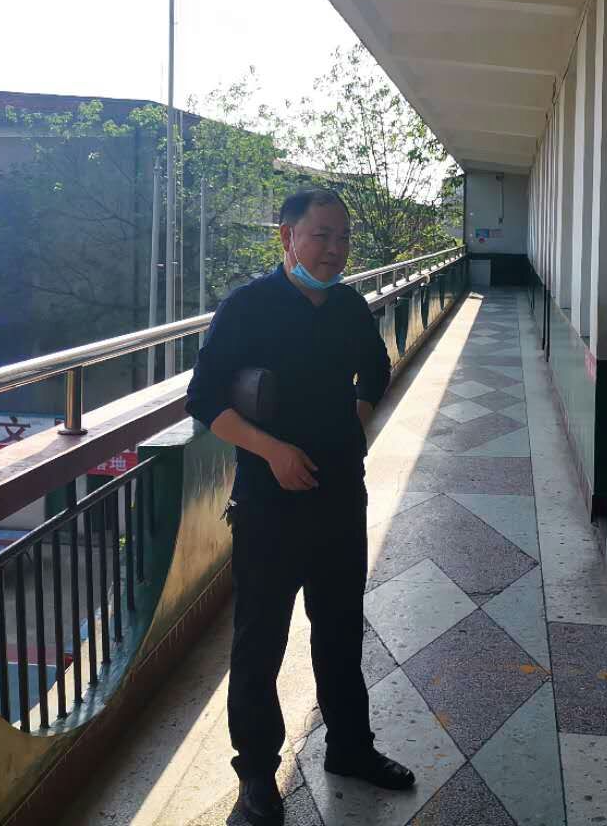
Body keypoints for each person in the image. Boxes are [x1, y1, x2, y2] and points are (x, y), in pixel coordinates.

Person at [185, 188, 414, 825]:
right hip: (268, 505)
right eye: (321, 235)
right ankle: (257, 775)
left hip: (339, 496)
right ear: (288, 237)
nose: (335, 249)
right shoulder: (248, 306)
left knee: (340, 627)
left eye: (343, 237)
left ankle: (350, 746)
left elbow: (375, 369)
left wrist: (354, 425)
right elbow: (203, 399)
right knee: (260, 640)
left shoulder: (348, 306)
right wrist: (273, 452)